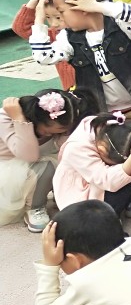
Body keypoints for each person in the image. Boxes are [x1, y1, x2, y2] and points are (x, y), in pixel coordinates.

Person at [29, 0, 131, 119]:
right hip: (105, 115)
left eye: (61, 12)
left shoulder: (120, 26)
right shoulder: (68, 38)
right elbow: (43, 57)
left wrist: (97, 6)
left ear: (82, 8)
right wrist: (38, 20)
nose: (61, 19)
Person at [0, 89, 86, 231]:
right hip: (6, 169)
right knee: (49, 165)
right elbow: (28, 155)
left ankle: (63, 195)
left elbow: (67, 149)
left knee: (67, 158)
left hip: (27, 164)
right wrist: (20, 120)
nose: (49, 135)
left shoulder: (60, 123)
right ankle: (34, 207)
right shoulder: (7, 117)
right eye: (47, 131)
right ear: (37, 117)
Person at [52, 112, 131, 215]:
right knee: (129, 167)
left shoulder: (109, 126)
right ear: (102, 149)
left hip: (100, 180)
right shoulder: (76, 149)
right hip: (83, 197)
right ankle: (107, 216)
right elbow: (107, 180)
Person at [11, 0, 75, 89]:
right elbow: (21, 28)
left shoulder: (88, 32)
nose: (54, 24)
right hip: (72, 89)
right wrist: (35, 2)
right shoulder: (55, 34)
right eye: (47, 17)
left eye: (58, 17)